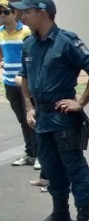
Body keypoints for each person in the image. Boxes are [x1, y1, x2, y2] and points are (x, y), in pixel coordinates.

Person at [13, 0, 89, 221]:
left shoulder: (67, 41)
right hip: (41, 118)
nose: (21, 15)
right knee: (51, 169)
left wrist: (81, 102)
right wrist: (29, 108)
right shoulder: (29, 43)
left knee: (74, 168)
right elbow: (24, 79)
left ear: (42, 12)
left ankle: (83, 216)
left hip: (64, 118)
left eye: (26, 11)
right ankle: (60, 213)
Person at [0, 0, 36, 168]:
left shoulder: (26, 31)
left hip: (25, 82)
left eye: (4, 12)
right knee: (22, 120)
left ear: (14, 13)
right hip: (8, 82)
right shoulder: (0, 32)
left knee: (33, 119)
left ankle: (40, 155)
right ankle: (30, 153)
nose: (1, 16)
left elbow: (34, 55)